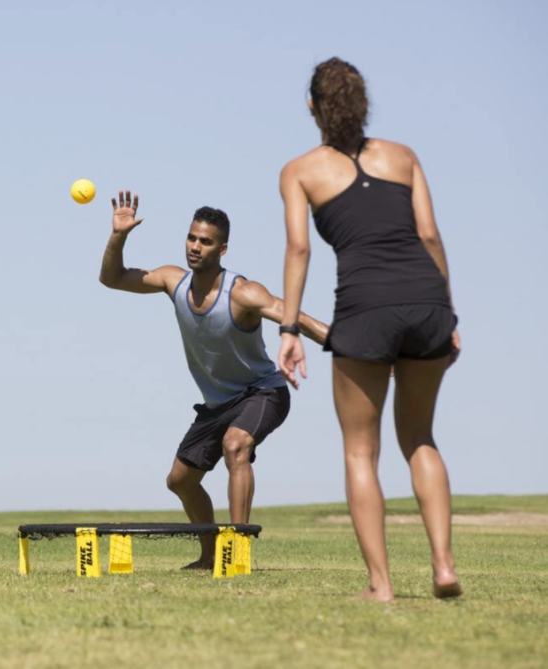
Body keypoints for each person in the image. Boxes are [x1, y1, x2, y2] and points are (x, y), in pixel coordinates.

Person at [277, 58, 462, 601]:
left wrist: (289, 326)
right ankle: (444, 566)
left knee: (361, 451)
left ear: (312, 106)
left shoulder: (300, 171)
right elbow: (429, 236)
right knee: (421, 437)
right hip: (427, 301)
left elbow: (299, 249)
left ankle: (380, 585)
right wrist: (447, 314)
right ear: (363, 103)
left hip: (364, 309)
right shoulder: (403, 157)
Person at [100, 192, 328, 568]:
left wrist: (353, 347)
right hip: (217, 403)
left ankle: (235, 554)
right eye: (192, 238)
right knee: (180, 481)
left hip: (264, 392)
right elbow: (112, 278)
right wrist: (119, 235)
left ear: (222, 249)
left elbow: (297, 317)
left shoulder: (242, 292)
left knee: (235, 445)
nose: (195, 247)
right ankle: (209, 557)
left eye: (205, 242)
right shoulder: (173, 282)